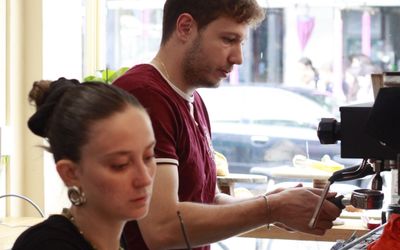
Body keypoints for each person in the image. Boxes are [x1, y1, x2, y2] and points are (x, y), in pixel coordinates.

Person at [113, 1, 342, 249]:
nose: (238, 58)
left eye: (241, 43)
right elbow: (162, 229)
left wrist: (273, 203)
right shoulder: (145, 95)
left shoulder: (194, 100)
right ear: (185, 27)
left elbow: (207, 201)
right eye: (228, 39)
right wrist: (271, 209)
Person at [13, 77, 157, 250]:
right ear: (70, 173)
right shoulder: (45, 245)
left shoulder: (115, 237)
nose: (145, 179)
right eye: (120, 165)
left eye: (148, 156)